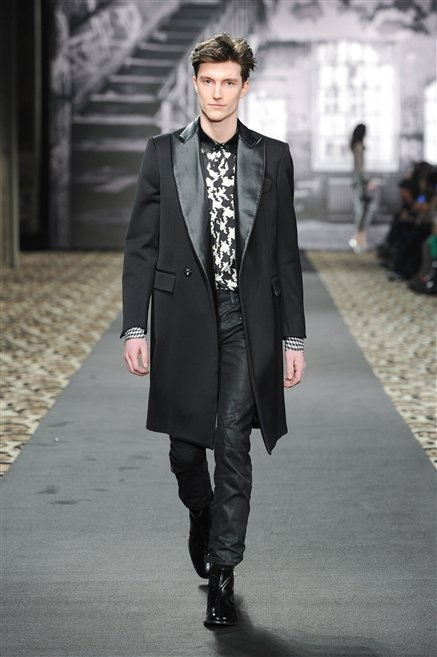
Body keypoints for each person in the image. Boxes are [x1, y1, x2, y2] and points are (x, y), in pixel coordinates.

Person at [121, 33, 306, 627]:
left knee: (232, 442)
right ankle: (200, 511)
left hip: (246, 320)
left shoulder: (272, 157)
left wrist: (293, 338)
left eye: (229, 82)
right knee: (184, 449)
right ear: (195, 82)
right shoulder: (162, 153)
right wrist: (134, 326)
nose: (218, 92)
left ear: (244, 86)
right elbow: (141, 246)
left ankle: (223, 575)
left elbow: (285, 253)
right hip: (181, 319)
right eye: (208, 81)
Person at [349, 123, 377, 253]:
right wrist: (368, 180)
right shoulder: (359, 146)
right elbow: (360, 166)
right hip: (361, 182)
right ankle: (359, 240)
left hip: (358, 181)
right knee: (363, 211)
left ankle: (359, 239)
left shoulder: (356, 146)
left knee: (361, 211)